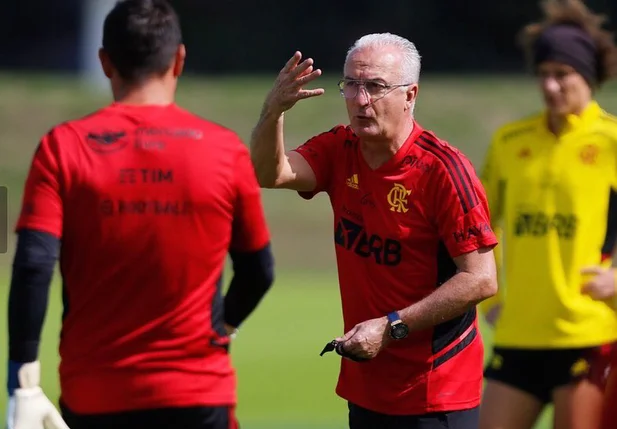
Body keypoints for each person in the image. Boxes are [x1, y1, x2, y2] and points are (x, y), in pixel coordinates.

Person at [4, 1, 274, 429]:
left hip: (95, 395)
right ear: (179, 59)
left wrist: (22, 379)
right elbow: (259, 271)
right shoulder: (225, 150)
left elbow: (33, 264)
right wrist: (222, 327)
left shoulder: (63, 147)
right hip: (198, 394)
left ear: (104, 62)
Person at [250, 32, 499, 429]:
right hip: (366, 384)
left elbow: (481, 279)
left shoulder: (443, 172)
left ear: (410, 95)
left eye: (376, 87)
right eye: (351, 84)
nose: (360, 100)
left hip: (435, 392)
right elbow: (270, 172)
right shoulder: (339, 148)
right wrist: (273, 111)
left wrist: (391, 325)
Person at [477, 1, 617, 428]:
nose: (551, 86)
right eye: (543, 75)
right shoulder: (510, 141)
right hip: (519, 331)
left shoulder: (612, 140)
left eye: (562, 74)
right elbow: (477, 227)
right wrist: (492, 296)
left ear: (586, 75)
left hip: (587, 333)